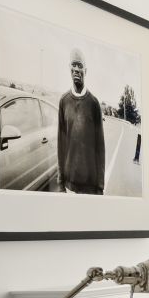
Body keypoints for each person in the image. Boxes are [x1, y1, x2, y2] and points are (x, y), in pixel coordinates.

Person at [56, 48, 106, 195]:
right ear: (69, 68)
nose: (76, 69)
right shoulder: (64, 101)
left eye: (80, 66)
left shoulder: (94, 104)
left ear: (86, 70)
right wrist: (60, 184)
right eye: (74, 65)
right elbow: (61, 145)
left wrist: (100, 187)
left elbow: (100, 149)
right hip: (69, 186)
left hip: (90, 187)